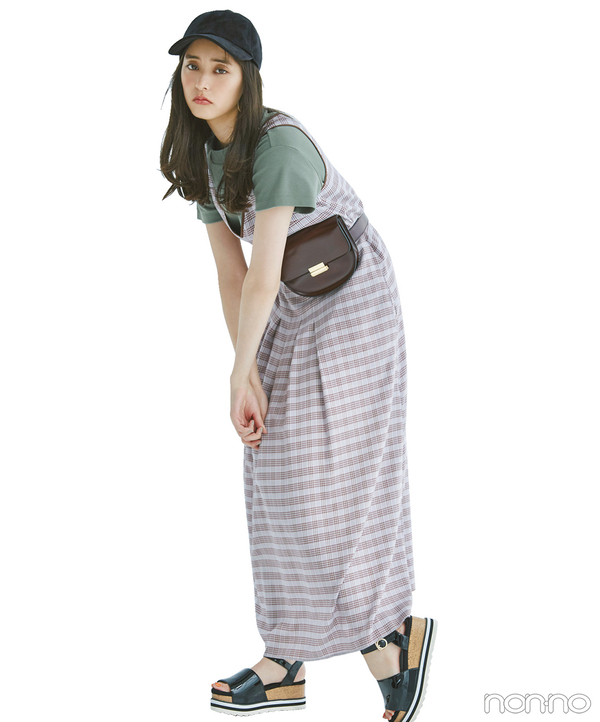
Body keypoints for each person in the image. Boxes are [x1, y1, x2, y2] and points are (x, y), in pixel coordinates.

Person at [160, 10, 437, 721]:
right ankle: (285, 658)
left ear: (247, 79)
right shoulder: (203, 155)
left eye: (221, 68)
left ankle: (389, 637)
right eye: (193, 65)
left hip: (353, 300)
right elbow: (231, 273)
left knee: (332, 478)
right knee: (272, 467)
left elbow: (260, 273)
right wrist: (247, 371)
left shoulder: (276, 145)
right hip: (291, 296)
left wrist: (237, 374)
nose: (203, 81)